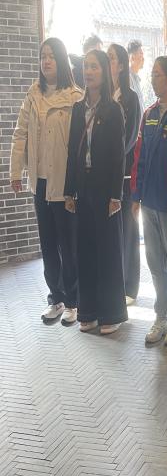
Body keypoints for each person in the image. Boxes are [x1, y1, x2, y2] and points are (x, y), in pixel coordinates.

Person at [10, 37, 83, 325]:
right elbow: (20, 134)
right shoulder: (33, 94)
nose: (46, 61)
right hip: (40, 181)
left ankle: (74, 301)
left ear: (61, 60)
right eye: (43, 56)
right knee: (48, 243)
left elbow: (80, 145)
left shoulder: (75, 97)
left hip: (64, 183)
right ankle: (56, 298)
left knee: (68, 243)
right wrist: (16, 171)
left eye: (51, 56)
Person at [64, 50, 127, 334]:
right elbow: (71, 152)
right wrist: (68, 191)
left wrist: (116, 195)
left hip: (105, 190)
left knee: (107, 251)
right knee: (85, 249)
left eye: (94, 67)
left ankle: (111, 314)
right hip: (83, 186)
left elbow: (118, 156)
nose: (88, 72)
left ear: (104, 71)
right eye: (86, 67)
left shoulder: (113, 110)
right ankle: (88, 311)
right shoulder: (78, 109)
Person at [131, 56, 167, 346]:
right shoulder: (149, 114)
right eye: (151, 75)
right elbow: (139, 157)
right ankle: (161, 317)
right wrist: (136, 196)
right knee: (155, 264)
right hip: (149, 203)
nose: (152, 80)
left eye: (157, 75)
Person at [107, 44, 142, 306]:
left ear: (120, 65)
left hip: (125, 173)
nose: (108, 62)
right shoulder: (104, 96)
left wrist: (113, 159)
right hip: (106, 175)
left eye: (111, 58)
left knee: (129, 230)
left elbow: (130, 139)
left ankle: (130, 286)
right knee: (113, 232)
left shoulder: (130, 98)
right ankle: (114, 282)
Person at [127, 39, 145, 112]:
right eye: (141, 54)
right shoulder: (128, 78)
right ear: (132, 57)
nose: (143, 58)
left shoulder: (136, 78)